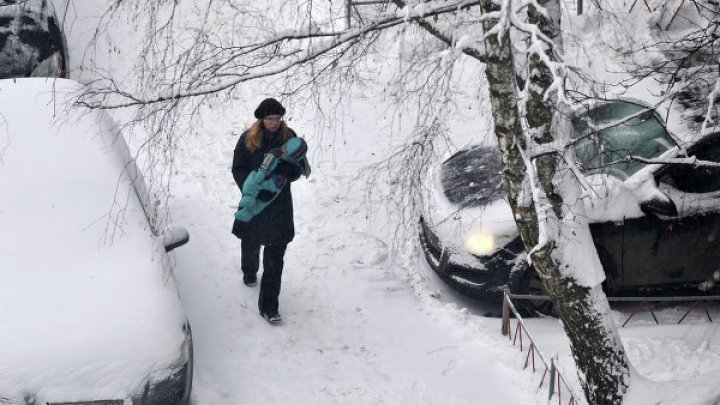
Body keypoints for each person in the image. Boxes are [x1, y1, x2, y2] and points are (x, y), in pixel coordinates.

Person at [231, 97, 308, 324]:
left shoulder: (289, 137)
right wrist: (253, 189)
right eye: (269, 119)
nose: (274, 123)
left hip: (279, 205)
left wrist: (288, 172)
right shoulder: (248, 139)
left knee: (275, 258)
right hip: (255, 202)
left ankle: (269, 307)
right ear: (261, 119)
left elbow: (299, 166)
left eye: (277, 118)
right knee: (251, 242)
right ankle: (249, 269)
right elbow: (238, 168)